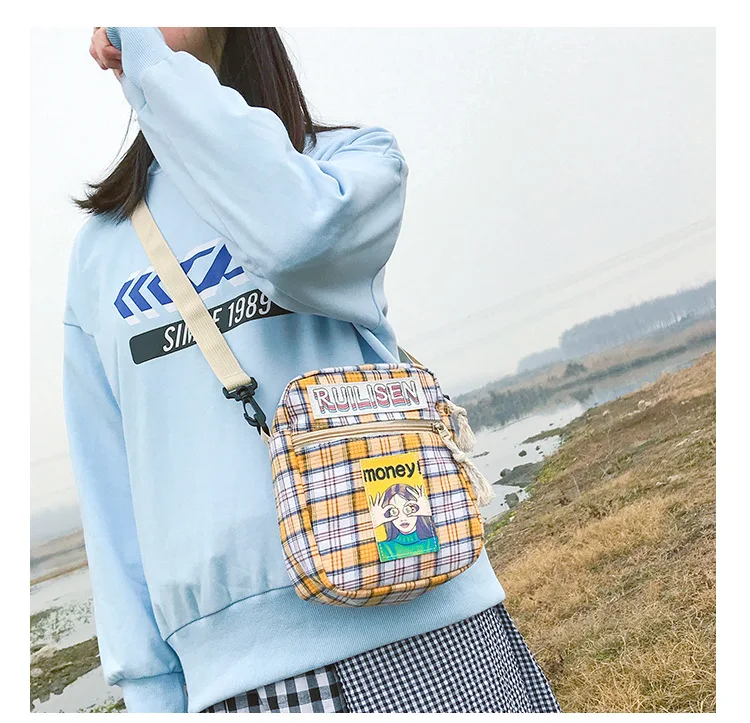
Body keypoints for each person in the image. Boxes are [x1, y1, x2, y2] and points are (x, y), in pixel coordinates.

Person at [64, 26, 561, 714]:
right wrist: (151, 692)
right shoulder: (102, 250)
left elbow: (294, 237)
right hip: (237, 684)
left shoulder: (346, 165)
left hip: (426, 627)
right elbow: (111, 488)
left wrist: (155, 69)